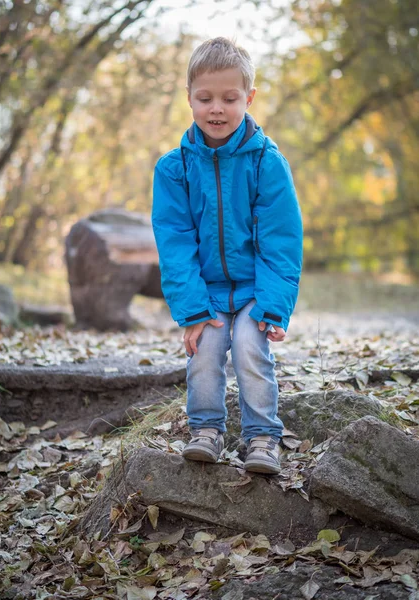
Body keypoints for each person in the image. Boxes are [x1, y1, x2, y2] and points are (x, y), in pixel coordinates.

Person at [152, 37, 303, 474]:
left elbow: (281, 240)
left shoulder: (267, 163)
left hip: (256, 287)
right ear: (189, 99)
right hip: (209, 292)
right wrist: (193, 311)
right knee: (205, 350)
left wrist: (274, 305)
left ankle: (261, 437)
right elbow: (175, 243)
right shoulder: (173, 168)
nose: (216, 108)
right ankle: (206, 431)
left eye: (229, 98)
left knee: (249, 347)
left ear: (249, 98)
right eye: (205, 98)